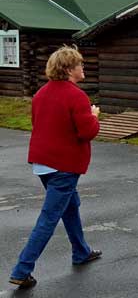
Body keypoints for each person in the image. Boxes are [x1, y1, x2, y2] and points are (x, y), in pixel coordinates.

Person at [9, 45, 102, 289]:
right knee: (49, 217)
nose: (84, 67)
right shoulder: (77, 96)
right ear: (69, 69)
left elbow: (40, 125)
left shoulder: (40, 94)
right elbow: (87, 132)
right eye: (80, 64)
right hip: (65, 165)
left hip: (43, 164)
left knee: (70, 206)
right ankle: (22, 269)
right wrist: (94, 116)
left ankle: (81, 251)